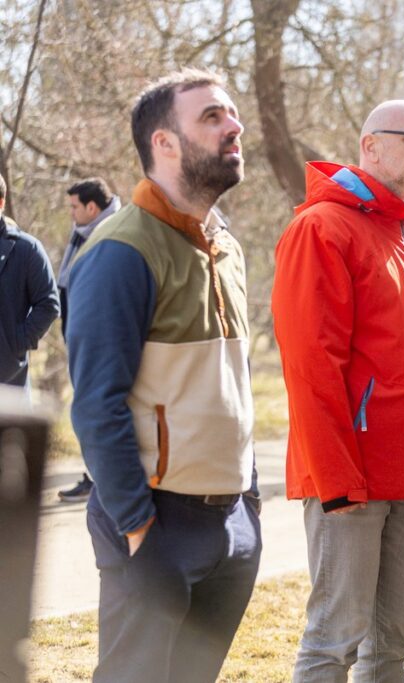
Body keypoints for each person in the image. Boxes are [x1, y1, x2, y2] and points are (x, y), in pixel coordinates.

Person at [66, 69, 261, 683]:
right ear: (164, 143)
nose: (235, 126)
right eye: (211, 117)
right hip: (155, 526)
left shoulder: (227, 246)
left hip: (232, 524)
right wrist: (138, 530)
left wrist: (249, 504)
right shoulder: (120, 251)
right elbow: (96, 406)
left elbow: (230, 385)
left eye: (231, 114)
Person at [272, 100, 404, 682]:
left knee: (392, 645)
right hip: (351, 481)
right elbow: (311, 368)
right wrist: (336, 479)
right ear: (369, 145)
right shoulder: (321, 229)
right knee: (334, 642)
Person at [57, 177, 121, 503]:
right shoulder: (83, 235)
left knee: (97, 415)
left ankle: (102, 479)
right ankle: (93, 476)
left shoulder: (110, 236)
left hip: (101, 347)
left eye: (74, 207)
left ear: (92, 208)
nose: (71, 213)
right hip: (82, 344)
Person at [0, 174, 60, 392]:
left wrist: (15, 343)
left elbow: (49, 304)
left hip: (7, 382)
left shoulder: (27, 248)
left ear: (1, 203)